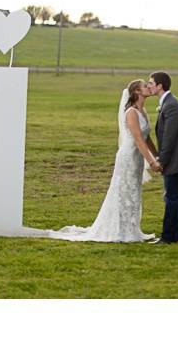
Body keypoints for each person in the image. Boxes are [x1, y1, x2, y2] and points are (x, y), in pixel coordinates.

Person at [49, 80, 160, 242]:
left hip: (137, 158)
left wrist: (157, 155)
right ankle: (118, 229)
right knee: (123, 191)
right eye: (145, 86)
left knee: (134, 191)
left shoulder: (143, 111)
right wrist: (152, 162)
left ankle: (130, 227)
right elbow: (138, 140)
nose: (149, 88)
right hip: (128, 157)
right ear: (136, 91)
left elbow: (146, 137)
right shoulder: (131, 112)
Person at [146, 71, 178, 244]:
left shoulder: (171, 105)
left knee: (172, 197)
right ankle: (176, 235)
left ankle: (168, 237)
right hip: (174, 157)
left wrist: (161, 161)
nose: (148, 86)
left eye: (151, 83)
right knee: (174, 196)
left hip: (174, 159)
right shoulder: (168, 103)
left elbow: (170, 137)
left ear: (160, 86)